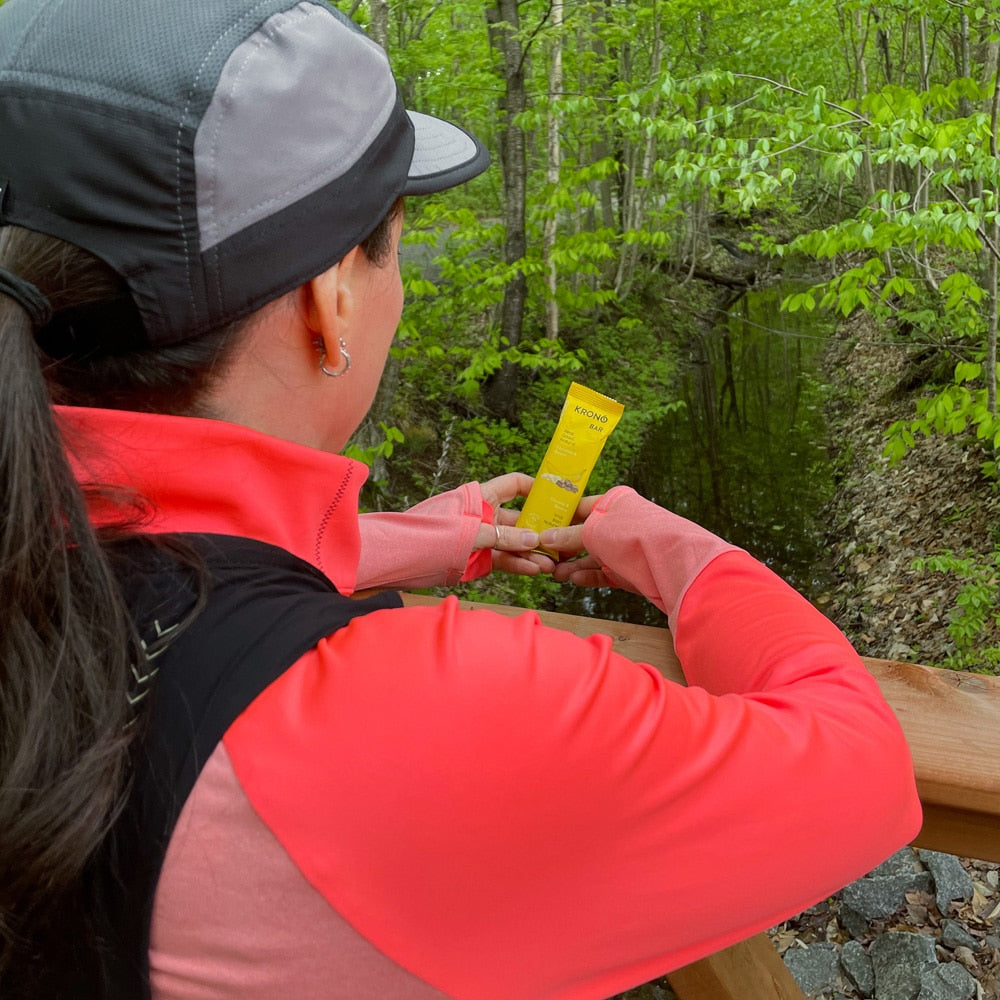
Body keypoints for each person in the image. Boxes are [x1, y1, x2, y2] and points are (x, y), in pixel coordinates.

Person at [0, 1, 921, 998]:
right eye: (390, 247)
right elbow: (864, 774)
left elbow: (168, 558)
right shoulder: (423, 714)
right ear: (327, 299)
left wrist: (401, 540)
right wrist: (681, 553)